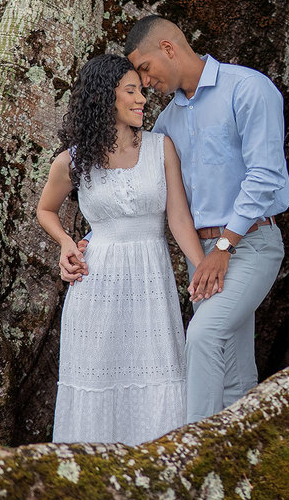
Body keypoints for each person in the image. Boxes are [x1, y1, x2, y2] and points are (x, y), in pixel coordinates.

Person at [65, 16, 289, 423]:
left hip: (249, 244)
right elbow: (145, 197)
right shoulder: (167, 124)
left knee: (203, 337)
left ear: (168, 48)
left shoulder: (247, 88)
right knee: (233, 365)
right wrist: (89, 241)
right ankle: (241, 454)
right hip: (200, 254)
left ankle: (191, 451)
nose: (145, 84)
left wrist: (224, 247)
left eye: (146, 70)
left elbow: (266, 177)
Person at [37, 54, 205, 444]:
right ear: (103, 98)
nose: (142, 99)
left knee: (158, 375)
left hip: (150, 283)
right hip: (96, 285)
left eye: (141, 91)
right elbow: (45, 209)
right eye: (130, 91)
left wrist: (203, 270)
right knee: (98, 380)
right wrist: (65, 242)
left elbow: (179, 220)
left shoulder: (161, 148)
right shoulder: (73, 161)